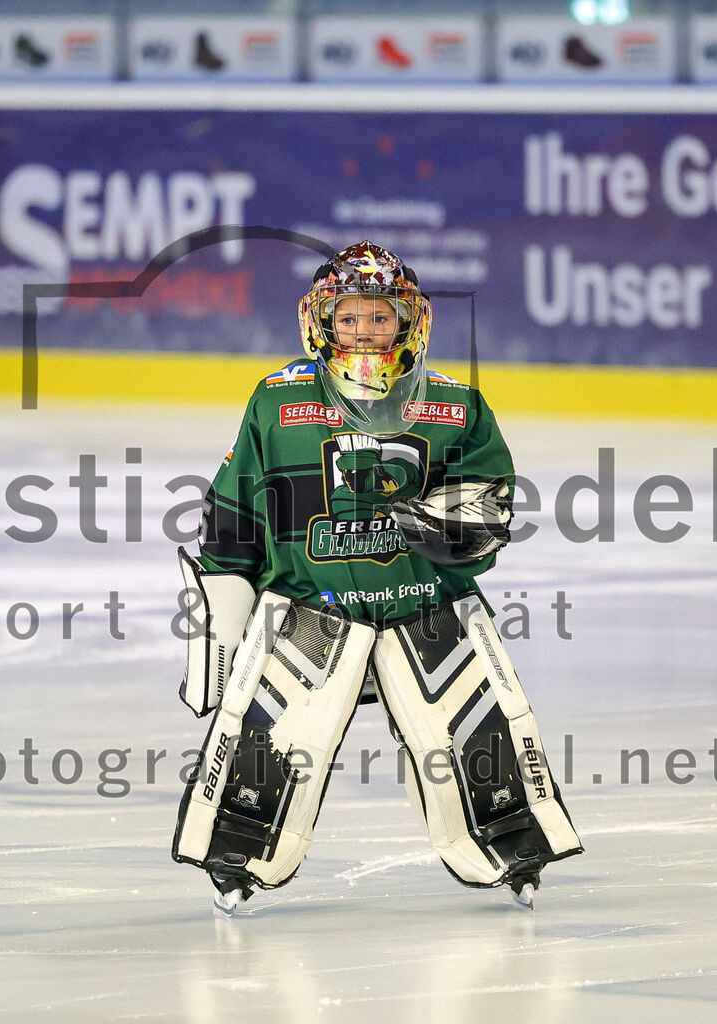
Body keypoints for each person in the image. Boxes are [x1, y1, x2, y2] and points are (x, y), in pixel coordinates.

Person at [172, 241, 582, 915]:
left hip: (427, 603)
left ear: (408, 322)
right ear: (322, 321)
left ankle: (513, 847)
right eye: (352, 316)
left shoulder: (454, 404)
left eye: (382, 316)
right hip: (309, 605)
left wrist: (458, 525)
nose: (366, 330)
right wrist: (221, 602)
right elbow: (235, 508)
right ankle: (237, 855)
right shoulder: (277, 401)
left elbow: (489, 500)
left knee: (475, 734)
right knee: (273, 740)